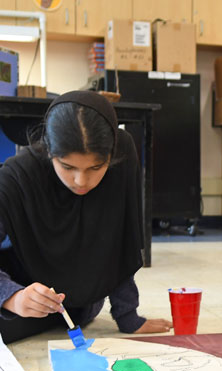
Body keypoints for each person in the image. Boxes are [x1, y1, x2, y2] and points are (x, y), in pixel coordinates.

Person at [0, 90, 172, 344]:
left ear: (110, 157)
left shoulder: (121, 157)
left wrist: (128, 316)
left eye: (96, 167)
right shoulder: (17, 176)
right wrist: (13, 297)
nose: (82, 181)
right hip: (23, 292)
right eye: (67, 167)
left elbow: (120, 240)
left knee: (72, 312)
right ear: (49, 152)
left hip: (81, 302)